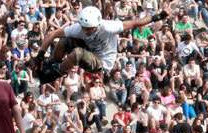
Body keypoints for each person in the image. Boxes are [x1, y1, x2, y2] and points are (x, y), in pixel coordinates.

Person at [33, 6, 171, 84]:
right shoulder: (78, 28)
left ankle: (55, 73)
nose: (86, 32)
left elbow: (135, 22)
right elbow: (52, 35)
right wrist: (39, 56)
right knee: (64, 41)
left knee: (78, 53)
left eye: (90, 29)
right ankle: (52, 63)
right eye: (84, 29)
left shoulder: (109, 26)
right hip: (90, 51)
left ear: (97, 25)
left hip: (102, 62)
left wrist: (158, 16)